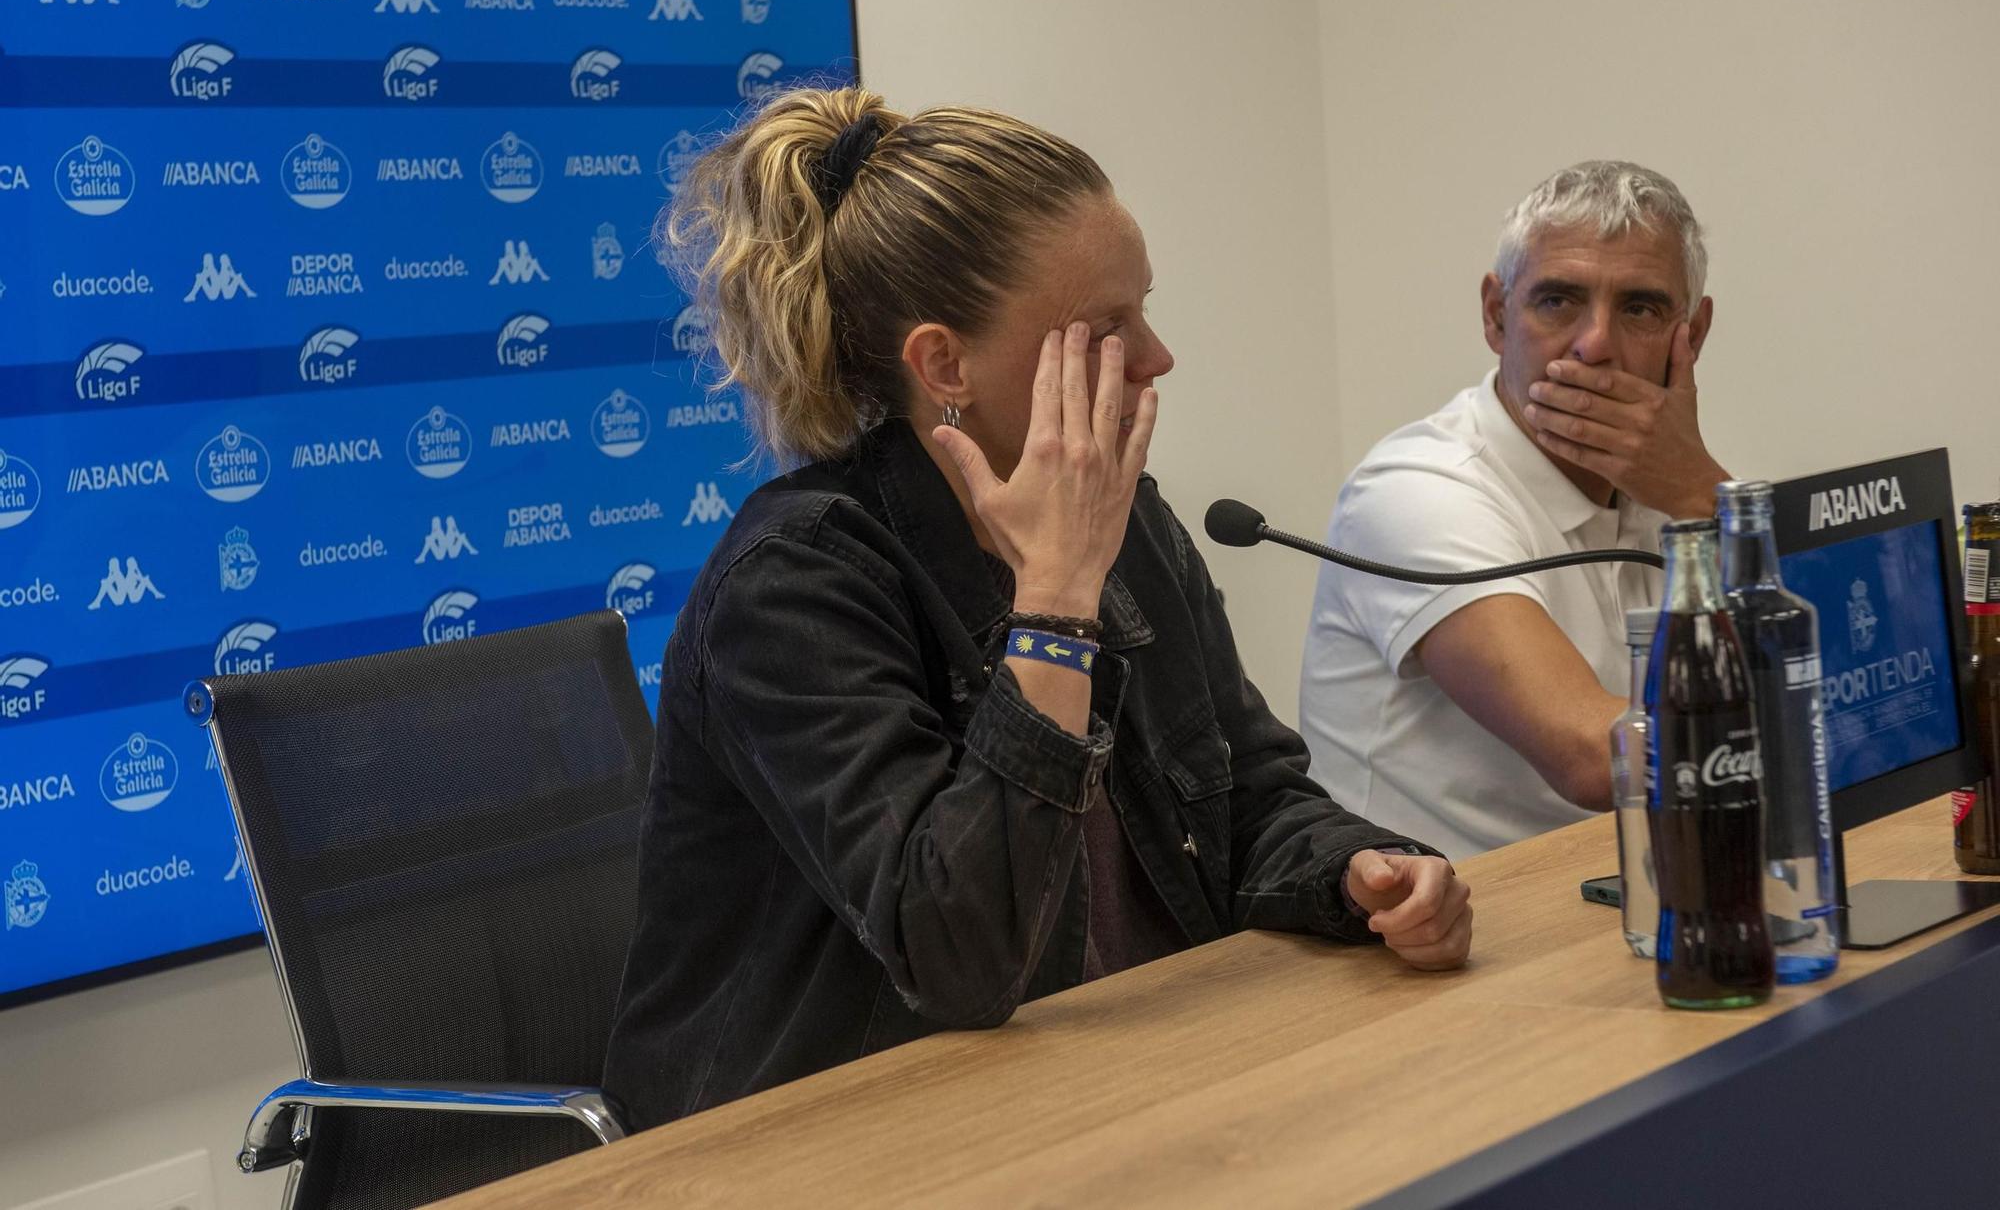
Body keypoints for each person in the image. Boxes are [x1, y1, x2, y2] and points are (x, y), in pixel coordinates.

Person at [603, 87, 1473, 1130]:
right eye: (1105, 328)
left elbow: (1246, 797)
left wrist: (1358, 874)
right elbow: (958, 955)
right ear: (944, 365)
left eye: (1144, 310)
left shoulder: (1125, 521)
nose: (1155, 359)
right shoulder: (795, 582)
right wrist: (1054, 605)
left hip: (1109, 1088)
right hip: (827, 1139)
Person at [1298, 161, 1730, 859]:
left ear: (1694, 335)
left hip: (1621, 898)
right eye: (1558, 301)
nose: (1595, 345)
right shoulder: (1417, 489)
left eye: (1640, 309)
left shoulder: (1675, 481)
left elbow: (1858, 660)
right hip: (1422, 939)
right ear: (1497, 316)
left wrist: (1698, 491)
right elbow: (1597, 758)